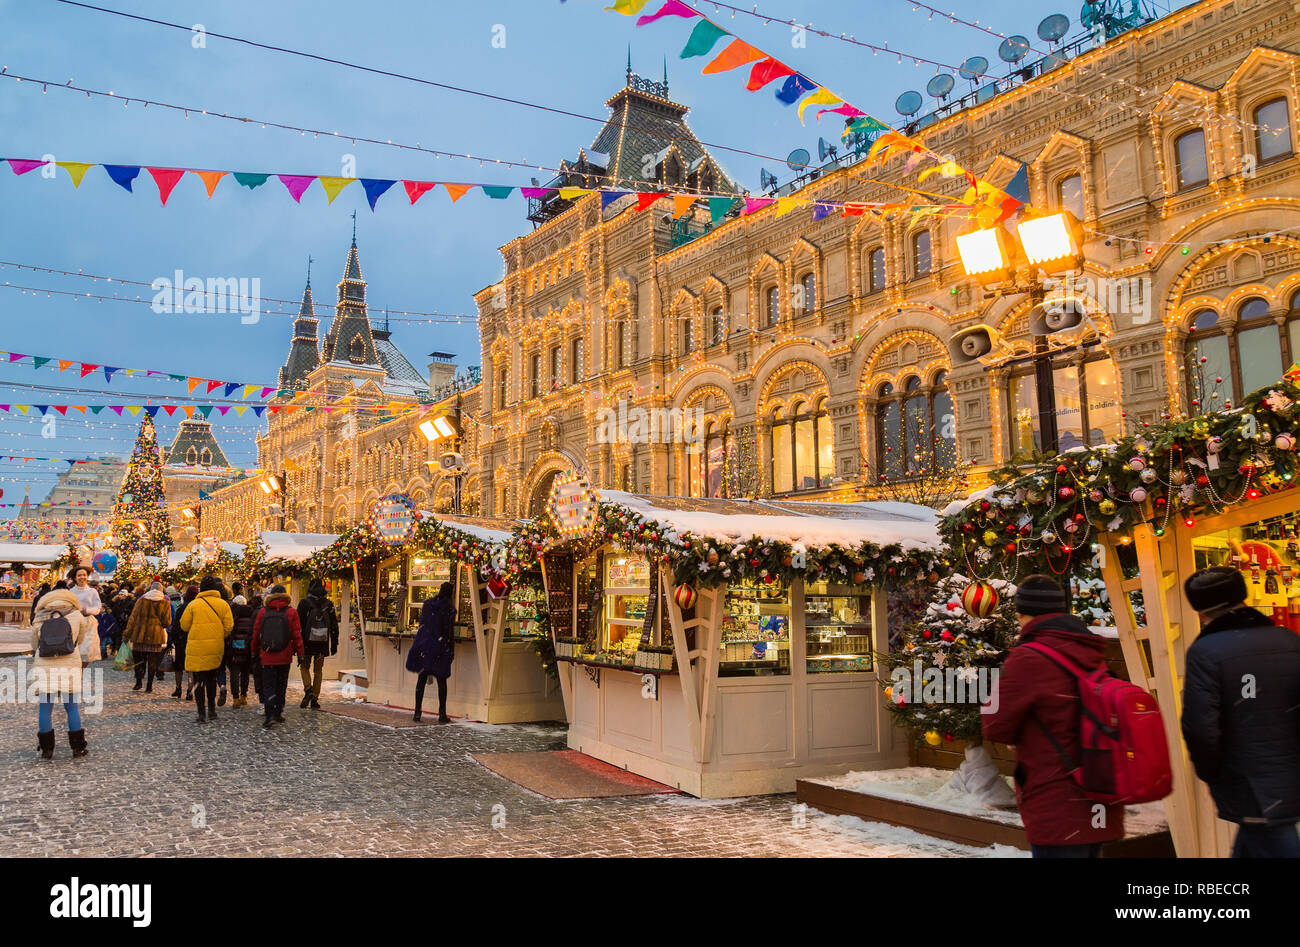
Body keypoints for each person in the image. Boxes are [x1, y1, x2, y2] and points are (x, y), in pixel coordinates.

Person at [982, 574, 1125, 857]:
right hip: (1098, 791)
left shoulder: (1028, 657)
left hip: (1056, 799)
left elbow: (995, 723)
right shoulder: (1088, 649)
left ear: (1022, 614)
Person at [1181, 566, 1300, 857]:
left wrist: (1210, 771)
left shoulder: (1206, 651)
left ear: (1201, 611)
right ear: (1243, 599)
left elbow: (1200, 726)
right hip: (1289, 767)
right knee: (1257, 837)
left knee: (1270, 835)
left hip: (1245, 776)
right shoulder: (1289, 641)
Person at [30, 585, 92, 759]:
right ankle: (77, 748)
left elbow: (35, 644)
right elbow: (79, 639)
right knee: (71, 707)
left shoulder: (40, 615)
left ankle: (47, 749)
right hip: (69, 665)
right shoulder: (76, 614)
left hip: (45, 665)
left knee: (45, 707)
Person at [180, 577, 233, 723]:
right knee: (211, 678)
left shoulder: (193, 605)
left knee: (199, 680)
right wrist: (218, 635)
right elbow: (229, 626)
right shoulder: (223, 604)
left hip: (196, 648)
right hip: (215, 647)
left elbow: (184, 625)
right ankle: (212, 710)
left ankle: (201, 713)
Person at [251, 585, 303, 729]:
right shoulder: (291, 612)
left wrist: (253, 650)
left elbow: (256, 634)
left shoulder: (263, 612)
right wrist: (300, 653)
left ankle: (269, 714)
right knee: (281, 684)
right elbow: (297, 635)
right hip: (284, 655)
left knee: (268, 685)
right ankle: (278, 712)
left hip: (267, 655)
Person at [406, 580, 455, 723]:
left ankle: (417, 712)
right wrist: (451, 649)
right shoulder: (449, 608)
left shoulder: (427, 604)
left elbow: (423, 624)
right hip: (440, 647)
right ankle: (442, 714)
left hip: (425, 646)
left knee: (421, 680)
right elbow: (449, 632)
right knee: (442, 681)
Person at [297, 579, 339, 710]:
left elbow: (298, 625)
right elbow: (334, 625)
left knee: (304, 667)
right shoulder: (328, 603)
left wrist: (298, 644)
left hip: (307, 642)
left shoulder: (304, 603)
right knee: (318, 670)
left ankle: (308, 689)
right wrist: (334, 643)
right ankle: (315, 699)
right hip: (322, 642)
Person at [124, 581, 171, 693]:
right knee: (153, 661)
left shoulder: (141, 600)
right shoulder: (165, 603)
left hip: (140, 634)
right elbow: (167, 622)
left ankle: (138, 682)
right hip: (155, 636)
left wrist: (127, 633)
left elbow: (133, 618)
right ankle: (149, 685)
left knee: (139, 660)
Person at [168, 585, 198, 700]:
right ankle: (190, 691)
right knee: (191, 668)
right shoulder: (197, 607)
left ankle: (178, 688)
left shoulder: (182, 608)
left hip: (181, 641)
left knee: (179, 667)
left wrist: (174, 639)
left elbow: (175, 625)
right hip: (193, 640)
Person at [67, 566, 103, 664]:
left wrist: (88, 610)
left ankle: (81, 672)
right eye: (79, 575)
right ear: (75, 578)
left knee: (86, 652)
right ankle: (77, 673)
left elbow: (98, 608)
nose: (82, 577)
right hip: (74, 623)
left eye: (84, 575)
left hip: (89, 624)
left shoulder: (92, 591)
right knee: (75, 651)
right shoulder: (71, 592)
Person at [227, 594, 256, 707]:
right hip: (247, 650)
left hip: (235, 650)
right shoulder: (251, 617)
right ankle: (244, 696)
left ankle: (235, 698)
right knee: (245, 673)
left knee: (234, 673)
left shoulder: (233, 617)